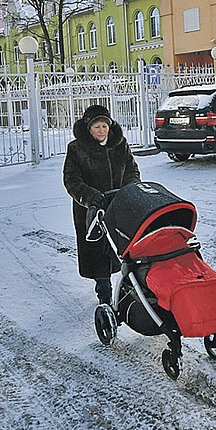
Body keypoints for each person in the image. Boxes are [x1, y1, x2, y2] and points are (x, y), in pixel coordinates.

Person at [63, 104, 140, 306]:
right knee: (98, 254)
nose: (102, 131)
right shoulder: (76, 149)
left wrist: (130, 189)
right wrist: (90, 197)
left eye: (104, 126)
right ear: (89, 128)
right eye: (97, 127)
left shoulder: (120, 144)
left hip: (118, 206)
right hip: (91, 210)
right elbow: (71, 180)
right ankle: (104, 294)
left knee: (125, 249)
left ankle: (131, 289)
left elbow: (132, 171)